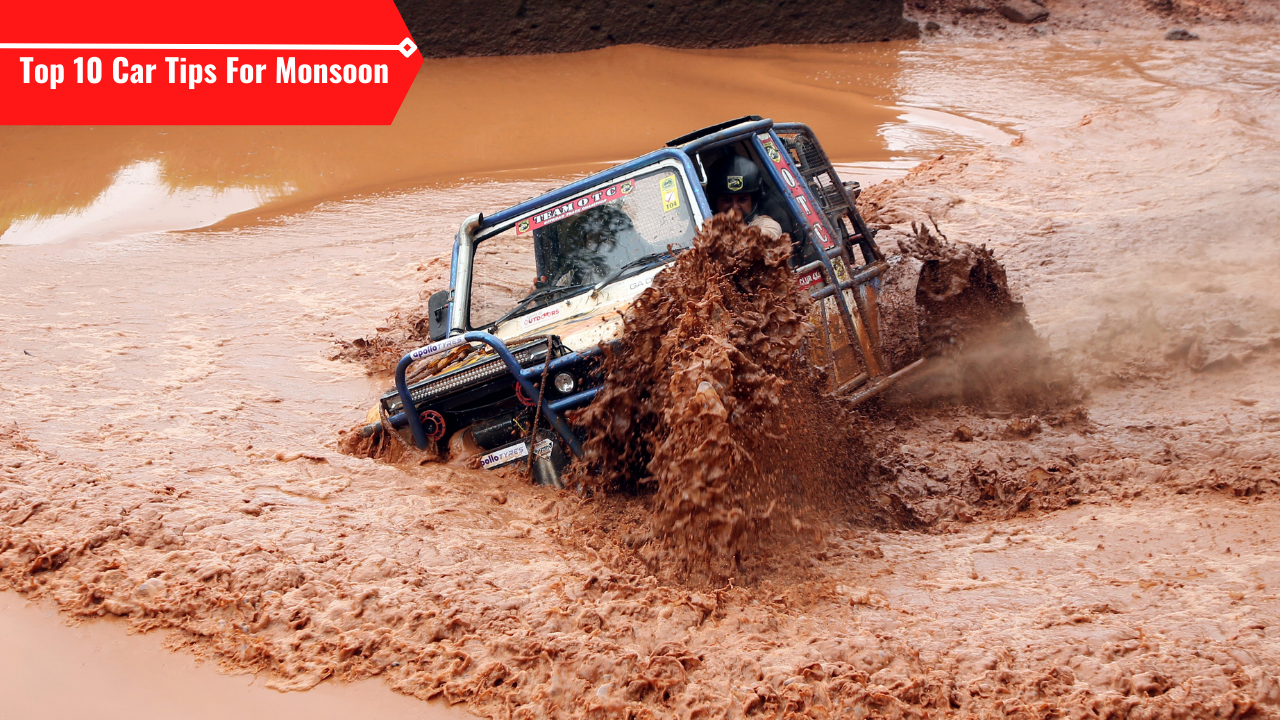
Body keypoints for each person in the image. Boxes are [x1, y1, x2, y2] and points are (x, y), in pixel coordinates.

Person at [706, 154, 782, 240]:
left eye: (742, 200)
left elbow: (769, 234)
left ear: (752, 201)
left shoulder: (766, 224)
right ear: (715, 201)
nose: (734, 207)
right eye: (727, 200)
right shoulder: (706, 227)